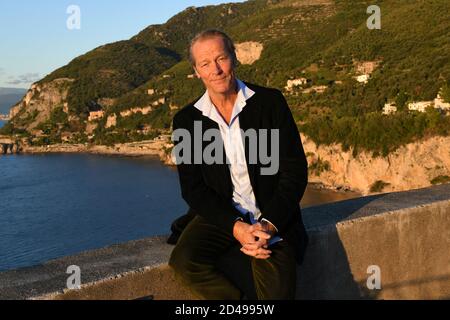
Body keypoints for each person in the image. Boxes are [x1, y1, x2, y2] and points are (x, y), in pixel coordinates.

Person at [168, 29, 309, 300]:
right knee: (184, 262)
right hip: (223, 214)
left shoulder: (270, 103)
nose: (216, 70)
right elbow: (193, 189)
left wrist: (267, 225)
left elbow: (294, 171)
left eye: (221, 58)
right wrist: (237, 228)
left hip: (271, 216)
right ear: (196, 71)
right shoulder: (187, 121)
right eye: (205, 63)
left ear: (234, 58)